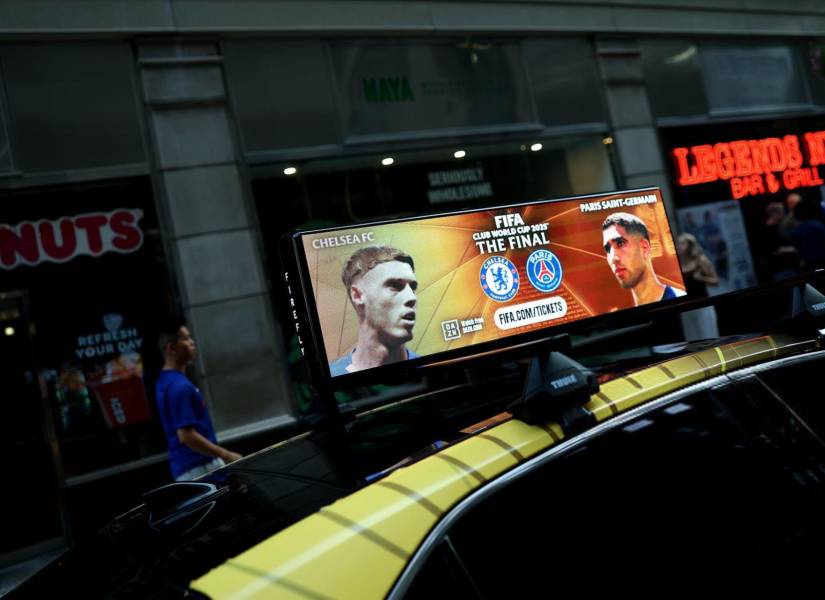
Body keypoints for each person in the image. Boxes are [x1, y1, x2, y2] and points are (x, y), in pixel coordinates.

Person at [156, 322, 241, 481]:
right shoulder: (178, 386)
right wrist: (227, 455)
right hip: (199, 467)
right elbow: (186, 436)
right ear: (172, 349)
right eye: (186, 339)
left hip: (191, 468)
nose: (192, 342)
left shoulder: (165, 381)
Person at [330, 245, 420, 375]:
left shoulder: (434, 373)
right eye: (394, 285)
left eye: (412, 287)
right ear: (358, 295)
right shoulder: (332, 378)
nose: (412, 297)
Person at [602, 212, 686, 306]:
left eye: (620, 243)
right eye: (608, 249)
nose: (613, 258)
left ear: (644, 248)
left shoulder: (682, 301)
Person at [676, 233, 720, 340]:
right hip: (685, 308)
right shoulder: (677, 263)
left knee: (709, 338)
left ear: (690, 245)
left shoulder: (700, 260)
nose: (679, 246)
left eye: (682, 243)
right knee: (693, 341)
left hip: (703, 305)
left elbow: (716, 281)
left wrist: (701, 278)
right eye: (678, 243)